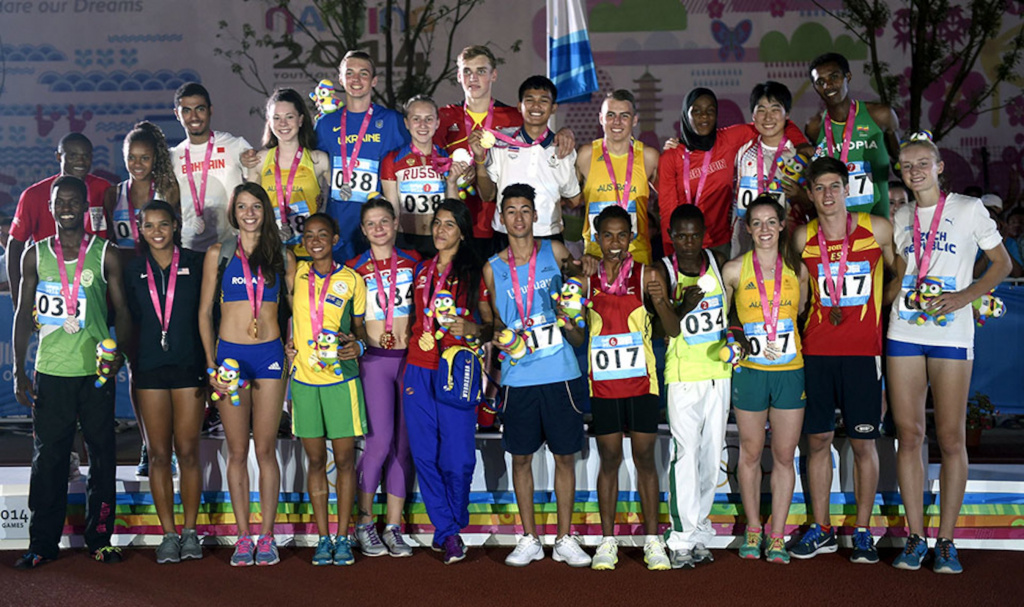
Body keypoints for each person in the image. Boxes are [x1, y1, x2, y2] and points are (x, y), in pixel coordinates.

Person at [887, 133, 1010, 574]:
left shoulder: (967, 208)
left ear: (939, 167)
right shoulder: (900, 216)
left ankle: (946, 541)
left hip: (951, 334)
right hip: (905, 327)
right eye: (906, 164)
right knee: (910, 433)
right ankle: (916, 537)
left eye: (923, 162)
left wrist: (965, 297)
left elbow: (1003, 264)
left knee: (952, 437)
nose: (914, 169)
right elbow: (903, 273)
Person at [12, 176, 131, 568]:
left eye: (74, 200)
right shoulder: (35, 254)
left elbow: (124, 312)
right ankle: (42, 544)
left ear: (85, 207)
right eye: (59, 200)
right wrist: (19, 370)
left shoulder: (105, 253)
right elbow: (22, 316)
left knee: (102, 456)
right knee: (48, 459)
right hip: (51, 371)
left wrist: (121, 355)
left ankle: (100, 538)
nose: (66, 206)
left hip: (94, 373)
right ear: (50, 207)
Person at [790, 157, 895, 564]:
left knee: (864, 442)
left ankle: (864, 530)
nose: (828, 195)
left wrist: (886, 305)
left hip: (862, 353)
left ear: (848, 189)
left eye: (835, 186)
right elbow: (797, 294)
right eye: (820, 188)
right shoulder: (802, 237)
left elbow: (900, 270)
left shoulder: (877, 229)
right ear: (811, 193)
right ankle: (822, 528)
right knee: (817, 440)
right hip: (816, 351)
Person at [483, 184, 590, 569]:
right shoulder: (492, 268)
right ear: (501, 217)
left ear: (535, 215)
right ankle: (528, 537)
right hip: (517, 377)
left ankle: (564, 537)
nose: (518, 218)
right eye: (510, 211)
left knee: (565, 457)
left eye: (525, 210)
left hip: (560, 371)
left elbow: (577, 293)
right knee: (522, 459)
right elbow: (494, 323)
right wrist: (499, 335)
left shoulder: (556, 251)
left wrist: (578, 286)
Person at [197, 182, 295, 566]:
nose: (249, 213)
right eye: (242, 207)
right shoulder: (218, 254)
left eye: (256, 206)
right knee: (237, 451)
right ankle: (242, 536)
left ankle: (267, 536)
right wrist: (210, 367)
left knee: (266, 449)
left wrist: (291, 345)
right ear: (233, 213)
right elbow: (205, 313)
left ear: (265, 211)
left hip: (270, 358)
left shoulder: (282, 256)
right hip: (229, 360)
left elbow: (296, 310)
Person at [583, 205, 675, 571]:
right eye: (608, 235)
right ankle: (608, 541)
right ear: (596, 237)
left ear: (632, 237)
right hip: (603, 385)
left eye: (623, 235)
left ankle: (653, 541)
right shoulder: (584, 278)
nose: (616, 243)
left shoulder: (648, 274)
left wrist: (659, 298)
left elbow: (671, 329)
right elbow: (575, 331)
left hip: (641, 384)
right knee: (609, 460)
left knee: (645, 460)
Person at [403, 199, 492, 564]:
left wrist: (474, 329)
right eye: (437, 223)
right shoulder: (421, 270)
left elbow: (491, 325)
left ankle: (453, 520)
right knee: (424, 455)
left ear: (463, 231)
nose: (440, 230)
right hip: (418, 367)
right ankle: (448, 532)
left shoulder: (475, 272)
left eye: (449, 225)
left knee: (456, 458)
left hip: (457, 369)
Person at [721, 195, 808, 565]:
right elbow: (724, 321)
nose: (764, 230)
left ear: (782, 224)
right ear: (747, 228)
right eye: (756, 223)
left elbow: (801, 311)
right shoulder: (734, 270)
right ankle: (754, 528)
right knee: (752, 453)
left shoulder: (797, 270)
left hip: (790, 372)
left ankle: (777, 535)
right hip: (751, 373)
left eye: (771, 222)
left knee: (785, 456)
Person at [122, 200, 206, 563]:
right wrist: (126, 359)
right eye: (149, 226)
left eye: (163, 225)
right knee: (158, 455)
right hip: (150, 369)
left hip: (189, 367)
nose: (157, 232)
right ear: (140, 230)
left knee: (187, 452)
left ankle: (190, 532)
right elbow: (125, 317)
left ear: (175, 226)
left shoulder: (196, 264)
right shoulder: (132, 269)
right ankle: (168, 534)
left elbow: (209, 315)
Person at [435, 46, 575, 259]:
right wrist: (453, 171)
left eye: (481, 71)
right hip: (457, 225)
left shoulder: (514, 117)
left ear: (494, 75)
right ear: (458, 76)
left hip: (501, 226)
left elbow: (542, 136)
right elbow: (430, 160)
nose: (473, 78)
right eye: (467, 71)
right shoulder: (443, 117)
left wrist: (565, 132)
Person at [285, 212, 368, 566]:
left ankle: (344, 536)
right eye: (308, 234)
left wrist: (359, 347)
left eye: (323, 234)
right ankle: (322, 538)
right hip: (304, 380)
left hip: (342, 380)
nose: (315, 239)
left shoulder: (352, 280)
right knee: (316, 460)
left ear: (336, 239)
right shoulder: (297, 272)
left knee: (346, 460)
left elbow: (361, 328)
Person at [346, 200, 419, 558]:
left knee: (402, 446)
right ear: (362, 229)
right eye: (371, 223)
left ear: (395, 223)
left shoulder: (414, 262)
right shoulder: (354, 269)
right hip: (374, 360)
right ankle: (363, 522)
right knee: (378, 442)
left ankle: (392, 526)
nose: (378, 228)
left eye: (384, 221)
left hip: (409, 360)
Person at [660, 204, 731, 569]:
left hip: (719, 372)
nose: (688, 243)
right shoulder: (665, 269)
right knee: (685, 455)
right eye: (681, 235)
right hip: (684, 375)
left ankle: (700, 529)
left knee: (710, 455)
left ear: (704, 234)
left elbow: (729, 315)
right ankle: (681, 538)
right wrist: (682, 306)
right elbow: (662, 328)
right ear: (671, 235)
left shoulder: (717, 260)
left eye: (694, 235)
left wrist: (735, 338)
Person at [658, 88, 809, 257]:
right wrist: (670, 257)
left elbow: (771, 124)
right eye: (696, 111)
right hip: (685, 244)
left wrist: (802, 145)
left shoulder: (728, 139)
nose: (704, 116)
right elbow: (667, 213)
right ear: (686, 114)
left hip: (721, 243)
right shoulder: (671, 156)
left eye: (710, 111)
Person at [314, 50, 409, 262]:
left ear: (374, 81)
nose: (356, 79)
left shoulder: (392, 121)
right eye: (350, 73)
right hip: (337, 230)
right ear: (340, 79)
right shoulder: (325, 124)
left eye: (363, 73)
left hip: (378, 231)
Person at [471, 75, 582, 247]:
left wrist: (549, 208)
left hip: (548, 239)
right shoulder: (501, 142)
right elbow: (488, 195)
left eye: (543, 101)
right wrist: (479, 160)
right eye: (529, 100)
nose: (536, 106)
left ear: (553, 108)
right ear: (519, 106)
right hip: (505, 236)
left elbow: (574, 199)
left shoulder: (563, 148)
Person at [8, 133, 112, 304]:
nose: (81, 161)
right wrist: (18, 300)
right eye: (73, 156)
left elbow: (112, 237)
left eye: (86, 156)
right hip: (51, 289)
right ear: (58, 156)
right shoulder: (34, 195)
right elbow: (15, 245)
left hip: (95, 290)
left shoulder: (103, 188)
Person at [805, 52, 901, 219]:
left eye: (834, 77)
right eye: (820, 82)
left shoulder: (880, 115)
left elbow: (900, 163)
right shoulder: (814, 127)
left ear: (847, 76)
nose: (828, 86)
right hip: (835, 225)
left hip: (876, 221)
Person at [577, 90, 659, 265]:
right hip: (595, 257)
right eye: (611, 115)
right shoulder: (586, 155)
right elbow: (570, 200)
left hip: (637, 256)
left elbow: (669, 200)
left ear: (635, 120)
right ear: (601, 118)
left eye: (624, 116)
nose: (617, 122)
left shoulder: (649, 157)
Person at [732, 82, 813, 257]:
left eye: (775, 109)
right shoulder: (741, 151)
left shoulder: (801, 155)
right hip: (747, 244)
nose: (768, 117)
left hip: (790, 243)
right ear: (753, 115)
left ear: (787, 114)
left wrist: (800, 195)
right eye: (761, 109)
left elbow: (818, 204)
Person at [247, 88, 330, 260]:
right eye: (276, 118)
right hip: (271, 250)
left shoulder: (318, 160)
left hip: (309, 252)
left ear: (300, 120)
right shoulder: (260, 160)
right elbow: (250, 207)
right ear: (269, 122)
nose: (283, 123)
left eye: (289, 117)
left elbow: (340, 202)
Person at [172, 82, 254, 252]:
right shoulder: (173, 156)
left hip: (232, 247)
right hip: (190, 248)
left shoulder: (236, 146)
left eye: (200, 109)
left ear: (211, 110)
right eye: (186, 111)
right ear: (177, 114)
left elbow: (259, 185)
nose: (194, 117)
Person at [380, 95, 457, 258]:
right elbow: (392, 208)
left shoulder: (447, 158)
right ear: (407, 123)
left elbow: (454, 208)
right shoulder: (392, 159)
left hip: (439, 240)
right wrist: (390, 247)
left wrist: (452, 183)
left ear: (437, 123)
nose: (423, 125)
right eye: (416, 119)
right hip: (405, 239)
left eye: (429, 119)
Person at [105, 122, 181, 253]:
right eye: (131, 157)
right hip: (125, 270)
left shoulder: (167, 190)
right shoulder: (113, 194)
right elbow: (111, 240)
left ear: (155, 158)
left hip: (158, 269)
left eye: (145, 158)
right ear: (124, 156)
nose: (137, 164)